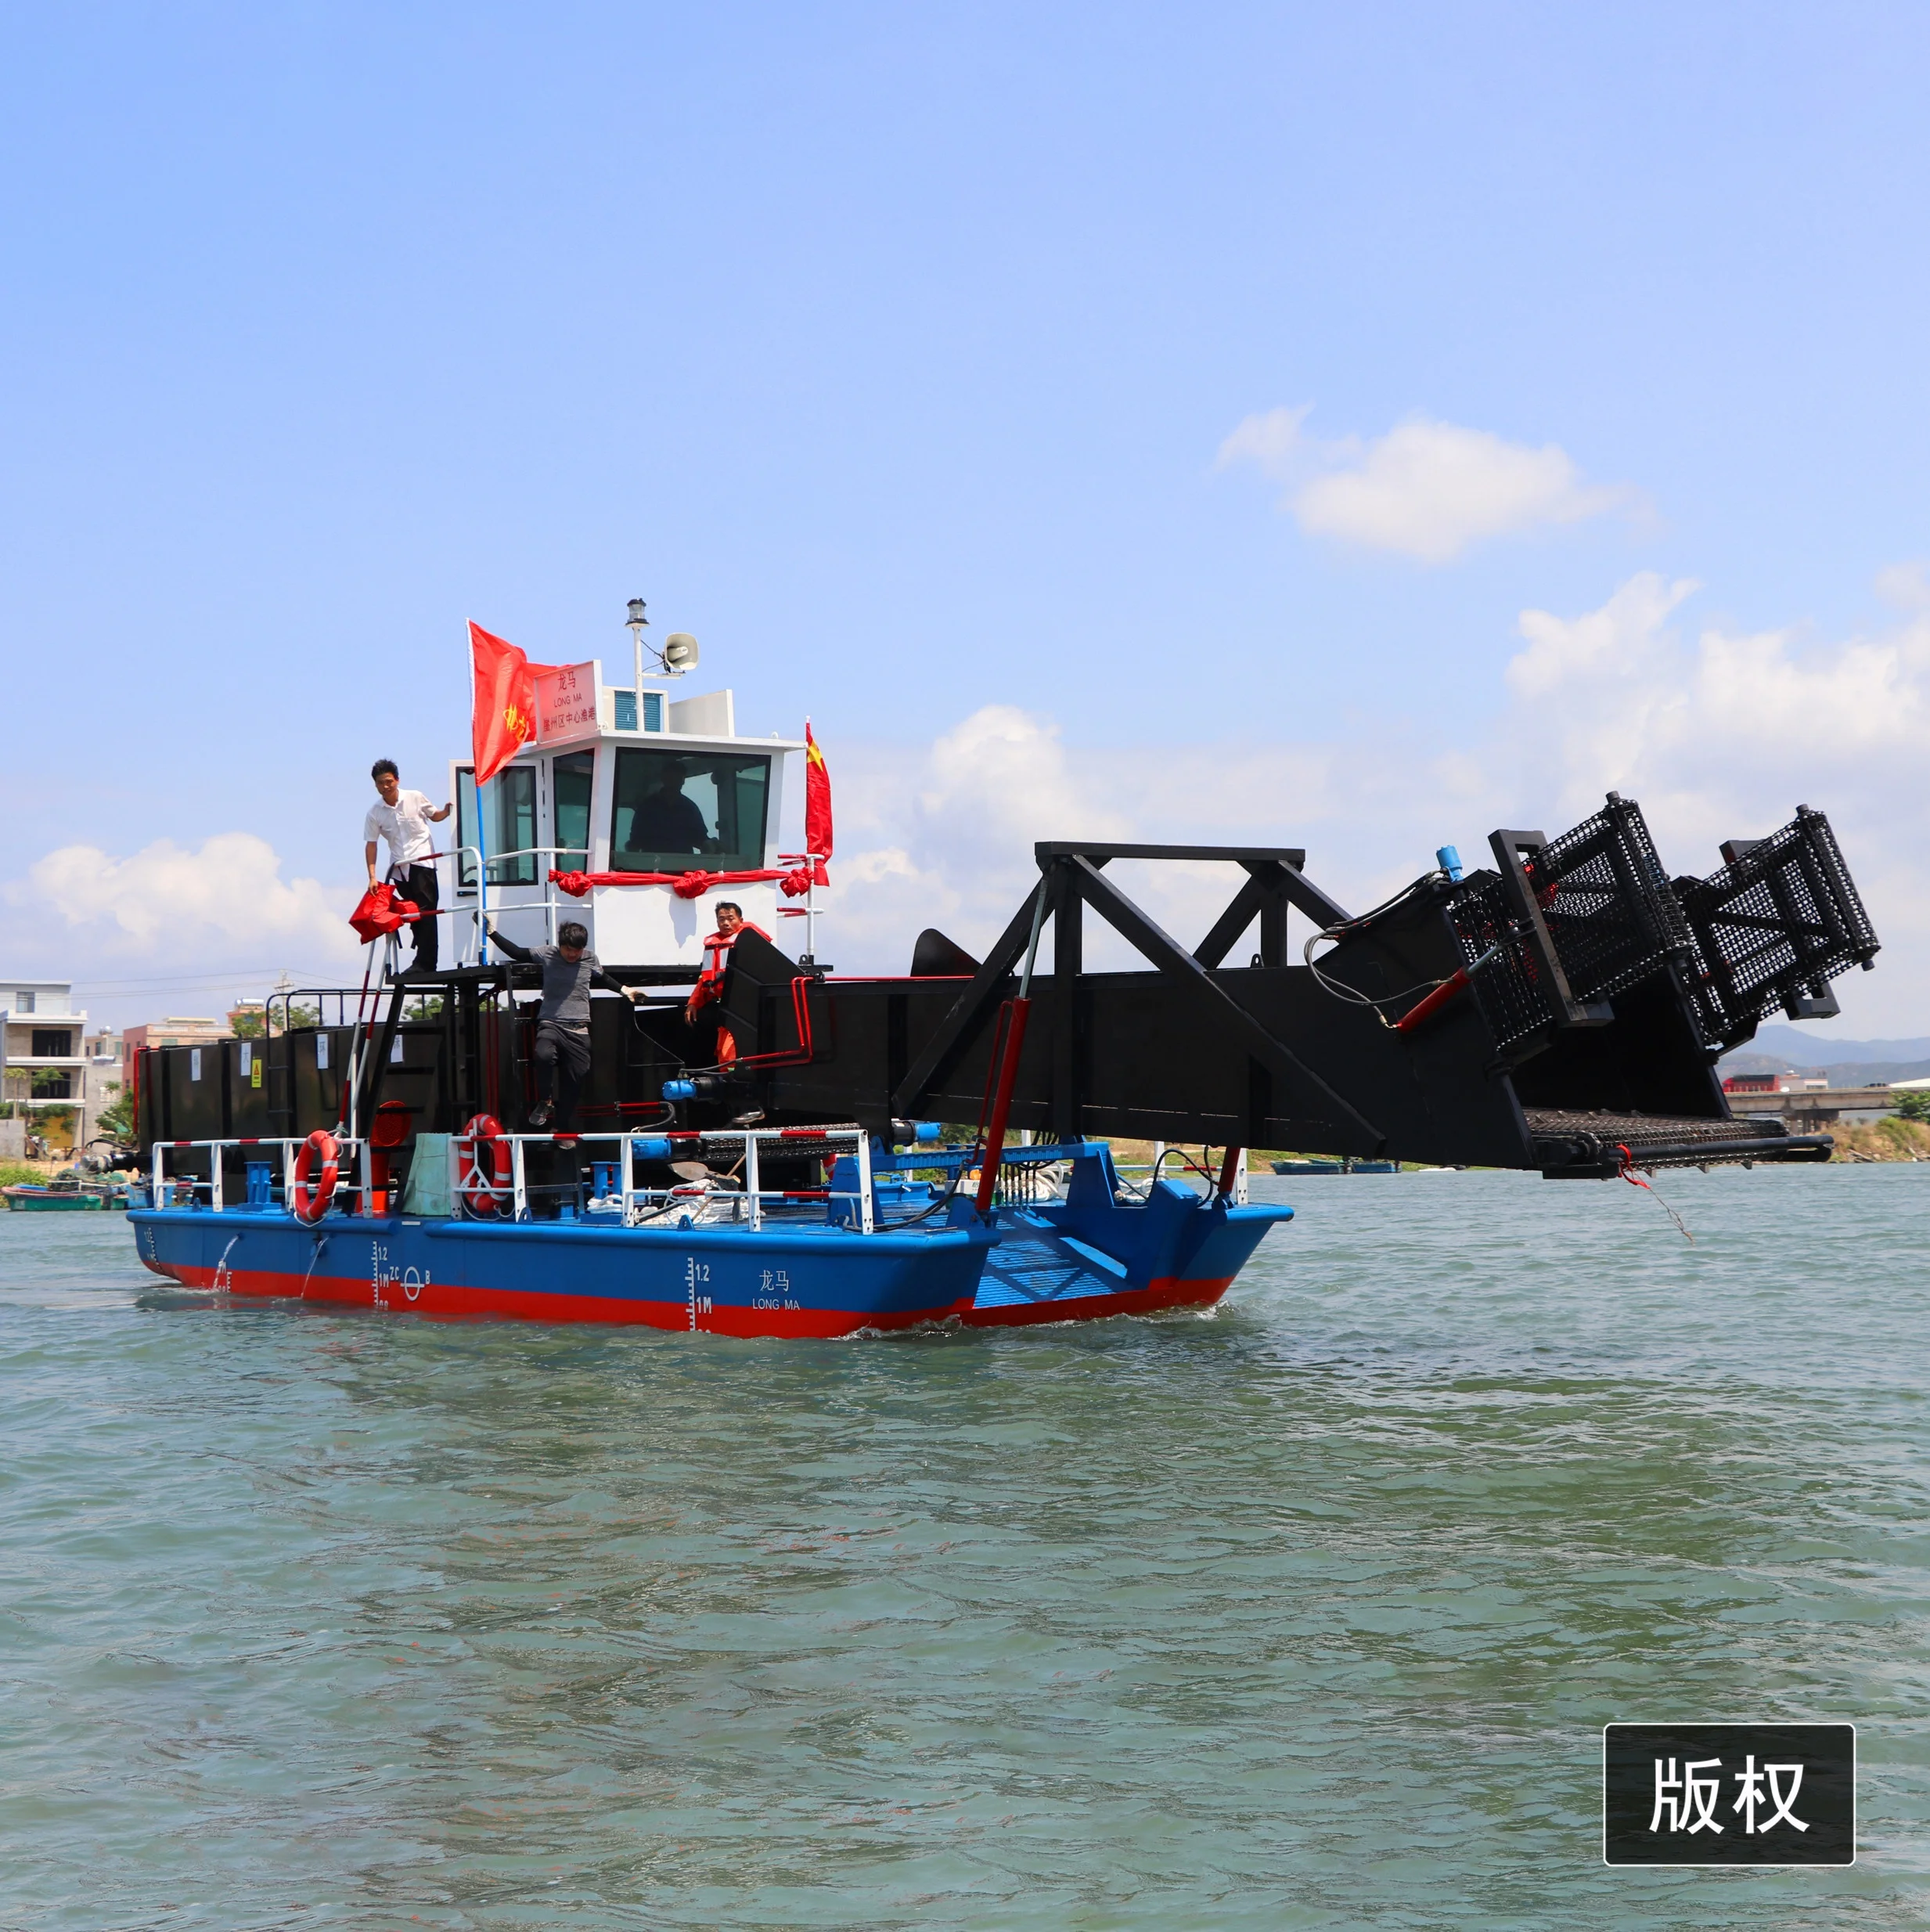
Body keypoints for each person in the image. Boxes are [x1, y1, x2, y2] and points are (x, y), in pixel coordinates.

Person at [485, 917, 643, 1129]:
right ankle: (546, 1101)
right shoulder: (548, 953)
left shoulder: (589, 959)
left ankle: (561, 1125)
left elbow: (604, 978)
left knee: (576, 1079)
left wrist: (626, 991)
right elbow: (518, 953)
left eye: (577, 950)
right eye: (568, 949)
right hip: (551, 1022)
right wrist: (491, 932)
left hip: (578, 1028)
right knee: (543, 1054)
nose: (572, 954)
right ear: (561, 945)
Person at [365, 760, 452, 976]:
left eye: (389, 782)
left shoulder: (415, 797)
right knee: (411, 914)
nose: (386, 787)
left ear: (397, 780)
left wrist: (447, 811)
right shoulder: (375, 812)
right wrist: (373, 876)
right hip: (399, 868)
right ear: (375, 785)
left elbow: (435, 816)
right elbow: (371, 844)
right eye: (380, 783)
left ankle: (426, 962)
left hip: (422, 862)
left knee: (426, 911)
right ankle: (421, 960)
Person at [685, 901, 770, 1067]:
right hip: (724, 1006)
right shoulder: (713, 944)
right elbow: (705, 979)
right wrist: (693, 1003)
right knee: (722, 1049)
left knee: (732, 1049)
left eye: (731, 918)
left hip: (745, 1006)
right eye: (721, 919)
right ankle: (727, 1079)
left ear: (741, 920)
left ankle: (733, 1080)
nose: (726, 923)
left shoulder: (750, 941)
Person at [628, 758, 711, 856]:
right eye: (670, 777)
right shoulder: (647, 807)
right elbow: (635, 842)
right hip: (651, 867)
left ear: (683, 780)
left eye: (678, 777)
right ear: (663, 778)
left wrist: (711, 845)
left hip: (682, 867)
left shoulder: (690, 808)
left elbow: (700, 839)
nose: (674, 780)